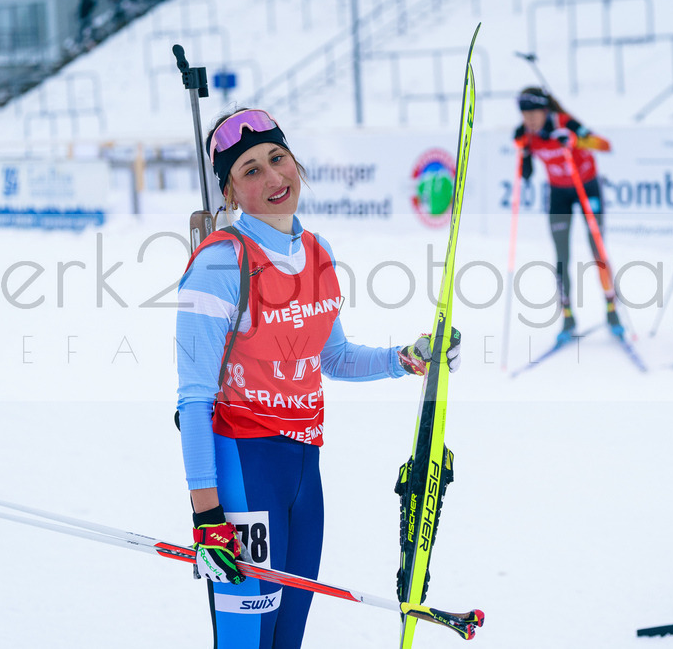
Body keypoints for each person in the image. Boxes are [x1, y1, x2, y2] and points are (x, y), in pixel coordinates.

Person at [176, 108, 461, 649]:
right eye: (251, 170)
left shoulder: (317, 254)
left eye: (277, 159)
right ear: (231, 194)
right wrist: (208, 516)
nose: (273, 178)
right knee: (246, 640)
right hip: (244, 470)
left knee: (289, 637)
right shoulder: (218, 264)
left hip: (306, 470)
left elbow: (332, 358)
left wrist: (404, 357)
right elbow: (193, 401)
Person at [513, 86, 621, 343]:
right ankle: (567, 316)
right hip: (559, 193)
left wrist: (574, 140)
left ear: (545, 110)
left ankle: (612, 310)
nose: (529, 119)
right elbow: (524, 169)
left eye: (533, 113)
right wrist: (524, 157)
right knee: (561, 255)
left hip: (586, 188)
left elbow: (605, 145)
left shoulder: (565, 122)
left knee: (597, 249)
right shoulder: (525, 135)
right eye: (524, 114)